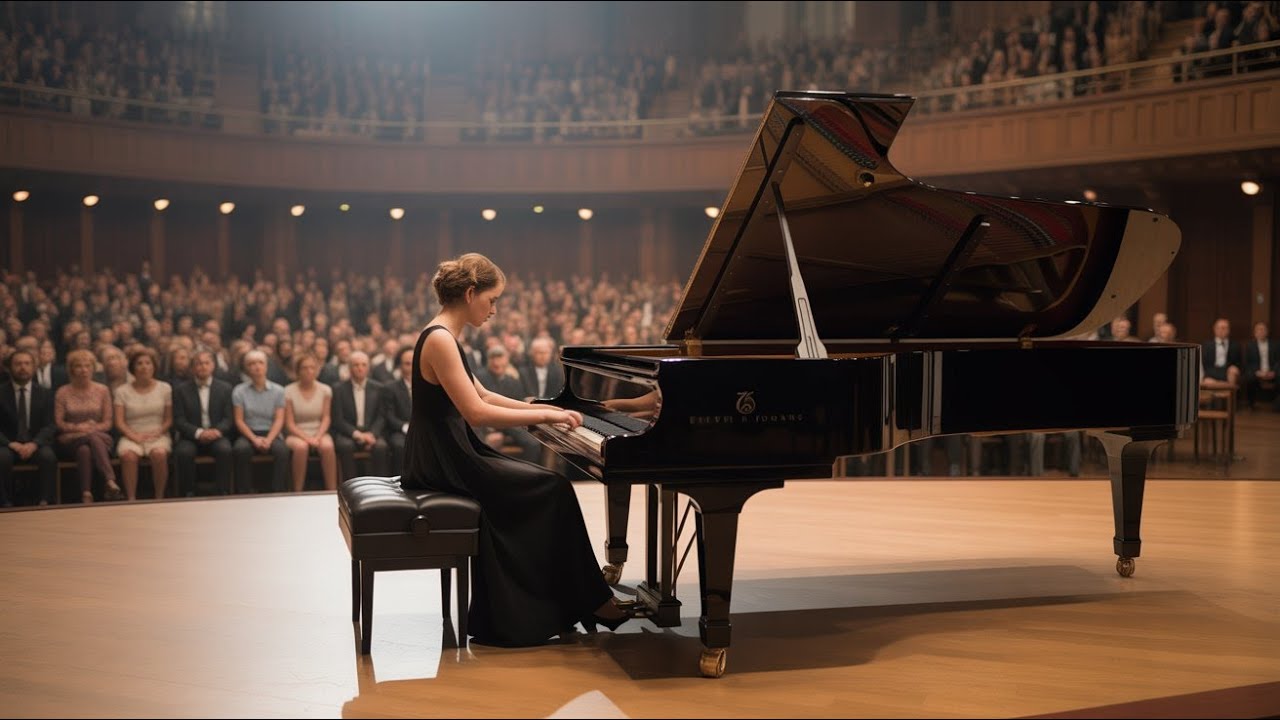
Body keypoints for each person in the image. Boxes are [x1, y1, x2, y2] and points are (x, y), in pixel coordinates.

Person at [401, 253, 632, 646]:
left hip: (450, 452)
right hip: (445, 460)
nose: (494, 310)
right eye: (492, 300)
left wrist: (541, 409)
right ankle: (584, 602)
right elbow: (475, 412)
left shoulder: (444, 335)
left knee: (548, 488)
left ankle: (571, 601)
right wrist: (543, 418)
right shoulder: (440, 339)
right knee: (553, 489)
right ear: (471, 293)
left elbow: (484, 393)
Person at [55, 349, 123, 503]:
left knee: (85, 449)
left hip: (98, 436)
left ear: (93, 368)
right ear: (71, 369)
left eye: (88, 365)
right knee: (86, 442)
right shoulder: (62, 392)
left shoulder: (102, 390)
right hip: (70, 439)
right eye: (78, 366)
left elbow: (107, 423)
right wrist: (80, 428)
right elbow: (59, 423)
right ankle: (110, 479)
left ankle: (86, 493)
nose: (84, 370)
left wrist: (91, 429)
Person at [173, 350, 235, 497]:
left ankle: (223, 491)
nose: (203, 366)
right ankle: (188, 493)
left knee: (225, 449)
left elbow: (228, 418)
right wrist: (199, 433)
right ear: (193, 368)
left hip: (217, 434)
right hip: (191, 436)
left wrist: (216, 432)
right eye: (198, 364)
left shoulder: (225, 388)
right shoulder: (181, 390)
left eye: (206, 363)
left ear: (213, 366)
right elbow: (179, 420)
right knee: (184, 452)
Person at [0, 349, 58, 506]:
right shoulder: (1, 392)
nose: (23, 367)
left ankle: (46, 501)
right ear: (9, 367)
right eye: (18, 364)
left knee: (48, 457)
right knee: (2, 458)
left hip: (35, 443)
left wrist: (34, 444)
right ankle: (4, 503)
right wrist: (10, 444)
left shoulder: (45, 393)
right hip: (8, 444)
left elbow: (50, 425)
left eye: (27, 363)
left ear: (34, 367)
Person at [114, 348, 173, 500]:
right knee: (128, 456)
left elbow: (168, 419)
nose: (144, 367)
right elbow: (119, 422)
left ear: (154, 366)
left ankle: (159, 497)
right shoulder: (122, 391)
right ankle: (131, 499)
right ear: (133, 368)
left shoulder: (165, 388)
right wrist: (133, 436)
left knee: (158, 454)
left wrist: (158, 432)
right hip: (131, 433)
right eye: (139, 363)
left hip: (158, 432)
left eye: (148, 363)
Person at [284, 353, 338, 492]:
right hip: (296, 432)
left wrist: (317, 437)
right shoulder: (288, 391)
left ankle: (331, 490)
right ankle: (298, 491)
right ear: (298, 371)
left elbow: (326, 417)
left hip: (319, 430)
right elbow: (289, 423)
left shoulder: (325, 390)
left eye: (312, 368)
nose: (309, 371)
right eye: (304, 368)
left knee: (327, 446)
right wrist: (308, 439)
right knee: (301, 447)